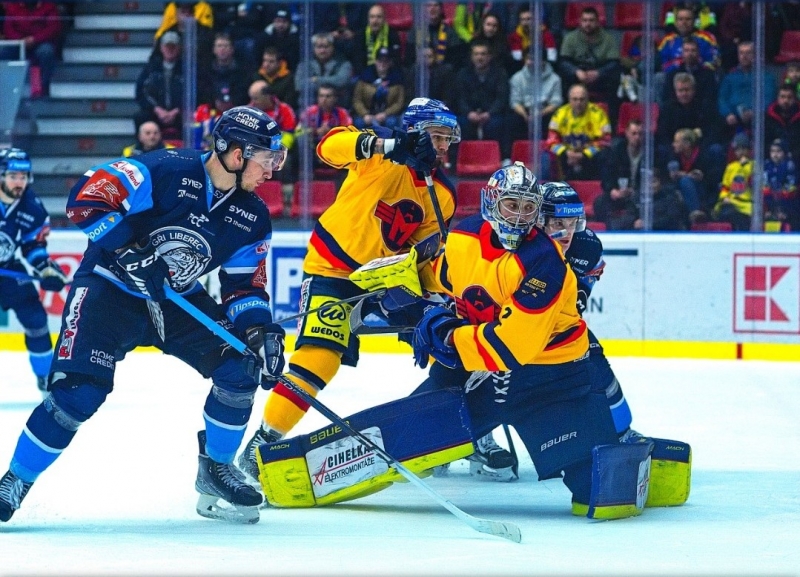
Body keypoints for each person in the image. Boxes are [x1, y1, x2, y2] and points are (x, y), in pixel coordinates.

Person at [0, 106, 289, 524]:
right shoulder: (165, 169)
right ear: (237, 153)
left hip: (176, 299)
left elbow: (244, 287)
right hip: (109, 289)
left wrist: (260, 330)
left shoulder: (253, 217)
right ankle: (15, 480)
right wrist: (129, 248)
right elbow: (85, 200)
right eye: (267, 158)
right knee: (78, 393)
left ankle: (216, 469)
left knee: (241, 366)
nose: (273, 169)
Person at [237, 98, 461, 479]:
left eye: (446, 139)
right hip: (333, 271)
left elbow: (424, 256)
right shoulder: (379, 150)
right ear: (414, 132)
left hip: (389, 280)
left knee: (450, 331)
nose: (441, 146)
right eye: (435, 136)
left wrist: (442, 283)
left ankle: (460, 428)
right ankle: (263, 441)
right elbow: (328, 147)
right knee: (319, 357)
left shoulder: (443, 193)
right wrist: (387, 146)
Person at [0, 148, 67, 396]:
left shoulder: (32, 208)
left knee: (36, 320)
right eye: (13, 176)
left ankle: (46, 379)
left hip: (8, 269)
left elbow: (33, 246)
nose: (19, 182)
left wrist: (47, 270)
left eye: (23, 176)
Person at [558, 6, 621, 108]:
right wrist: (576, 71)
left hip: (600, 77)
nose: (588, 24)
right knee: (562, 79)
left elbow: (614, 63)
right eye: (585, 20)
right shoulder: (570, 38)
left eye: (591, 20)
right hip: (577, 76)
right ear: (580, 22)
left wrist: (599, 73)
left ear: (597, 22)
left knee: (615, 78)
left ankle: (611, 115)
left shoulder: (608, 38)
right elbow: (563, 62)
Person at [546, 83, 612, 181]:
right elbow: (551, 141)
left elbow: (605, 141)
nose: (578, 103)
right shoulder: (559, 114)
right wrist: (566, 153)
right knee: (545, 157)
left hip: (590, 157)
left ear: (587, 99)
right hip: (566, 157)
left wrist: (584, 154)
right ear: (569, 100)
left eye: (582, 99)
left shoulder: (598, 114)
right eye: (575, 99)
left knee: (606, 155)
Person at [717, 41, 777, 142]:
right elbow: (722, 98)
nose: (744, 56)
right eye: (741, 53)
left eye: (748, 53)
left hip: (758, 120)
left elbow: (769, 98)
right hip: (733, 119)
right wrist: (728, 113)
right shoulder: (730, 77)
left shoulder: (766, 77)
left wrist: (755, 111)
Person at [0, 1, 62, 97]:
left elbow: (53, 27)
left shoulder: (49, 6)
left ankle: (43, 89)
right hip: (18, 43)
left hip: (40, 42)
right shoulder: (12, 7)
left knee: (46, 52)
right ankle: (5, 91)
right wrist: (20, 40)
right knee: (2, 53)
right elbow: (8, 29)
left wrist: (35, 39)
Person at [134, 30, 185, 139]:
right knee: (140, 117)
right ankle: (143, 147)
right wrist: (156, 109)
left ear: (179, 48)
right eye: (167, 46)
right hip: (156, 113)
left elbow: (196, 92)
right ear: (161, 47)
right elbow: (140, 93)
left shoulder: (186, 69)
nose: (170, 50)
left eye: (173, 47)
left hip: (180, 113)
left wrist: (177, 110)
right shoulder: (151, 68)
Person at [351, 47, 406, 131]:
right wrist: (365, 114)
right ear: (375, 61)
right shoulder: (365, 77)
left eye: (386, 61)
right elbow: (357, 100)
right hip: (368, 113)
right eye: (380, 61)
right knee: (359, 122)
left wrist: (385, 114)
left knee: (392, 122)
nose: (382, 64)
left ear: (390, 63)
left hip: (388, 115)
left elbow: (399, 102)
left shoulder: (397, 78)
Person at [712, 132, 753, 231]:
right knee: (725, 212)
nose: (741, 152)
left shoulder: (754, 165)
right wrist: (724, 197)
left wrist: (744, 166)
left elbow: (752, 182)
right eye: (738, 149)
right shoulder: (731, 167)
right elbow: (725, 187)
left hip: (747, 204)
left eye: (743, 149)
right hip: (732, 202)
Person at [763, 138, 799, 232]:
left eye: (778, 151)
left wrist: (782, 210)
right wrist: (768, 210)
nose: (775, 154)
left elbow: (791, 191)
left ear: (784, 153)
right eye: (772, 151)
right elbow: (764, 189)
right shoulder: (766, 166)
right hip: (770, 206)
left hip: (788, 206)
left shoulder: (790, 166)